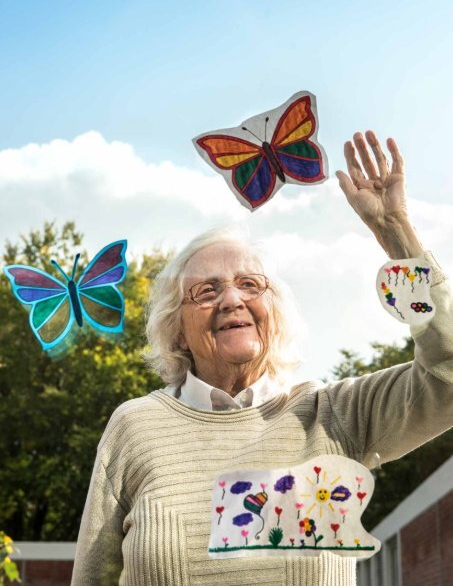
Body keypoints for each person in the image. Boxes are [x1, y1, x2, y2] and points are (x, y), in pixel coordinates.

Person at [71, 131, 453, 586]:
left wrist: (396, 232)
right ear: (177, 328)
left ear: (273, 313)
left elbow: (447, 371)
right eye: (207, 291)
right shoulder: (134, 426)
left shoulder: (336, 415)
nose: (232, 299)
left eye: (251, 285)